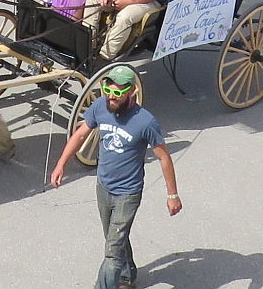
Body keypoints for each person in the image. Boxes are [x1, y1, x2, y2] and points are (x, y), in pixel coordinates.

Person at [50, 65, 182, 289]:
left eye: (118, 93)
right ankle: (127, 277)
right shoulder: (100, 107)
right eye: (107, 90)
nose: (111, 97)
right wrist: (61, 164)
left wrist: (172, 195)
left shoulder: (146, 122)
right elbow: (80, 134)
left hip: (127, 193)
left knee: (112, 253)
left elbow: (164, 158)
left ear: (131, 92)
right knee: (115, 237)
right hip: (103, 187)